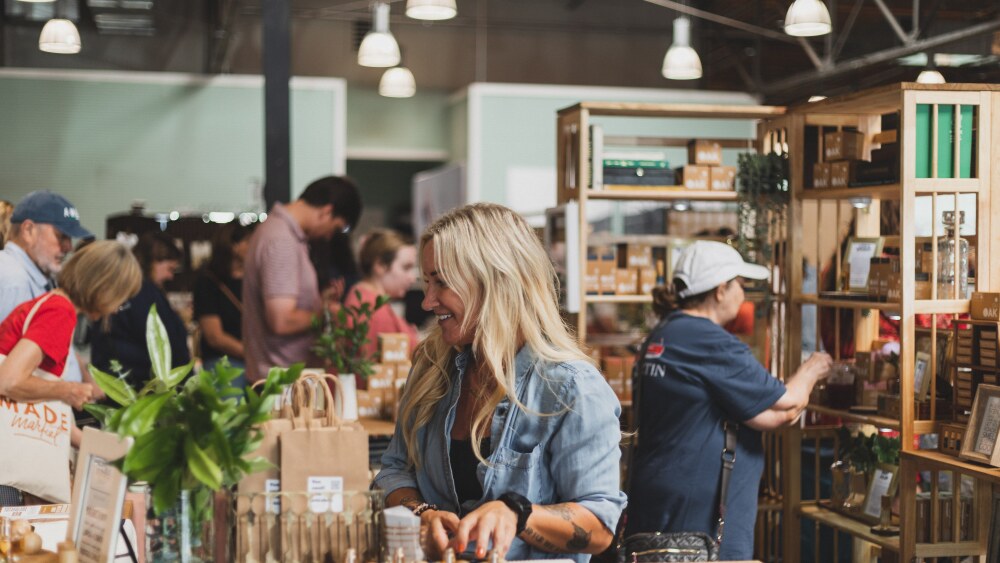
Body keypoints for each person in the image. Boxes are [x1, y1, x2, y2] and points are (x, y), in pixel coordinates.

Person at [374, 203, 625, 563]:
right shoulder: (432, 366)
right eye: (426, 282)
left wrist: (517, 514)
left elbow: (600, 528)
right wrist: (422, 513)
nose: (428, 301)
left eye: (442, 282)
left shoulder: (571, 387)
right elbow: (395, 470)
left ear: (494, 279)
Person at [623, 240, 832, 560]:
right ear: (720, 290)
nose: (743, 294)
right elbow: (786, 406)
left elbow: (765, 415)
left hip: (661, 503)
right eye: (740, 285)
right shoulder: (709, 341)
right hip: (698, 518)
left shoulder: (664, 334)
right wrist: (813, 368)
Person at [0, 241, 141, 505]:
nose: (116, 309)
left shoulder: (52, 305)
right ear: (105, 288)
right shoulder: (59, 312)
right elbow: (8, 381)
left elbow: (48, 414)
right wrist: (68, 390)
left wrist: (103, 446)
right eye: (120, 300)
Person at [242, 176, 362, 382]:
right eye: (336, 228)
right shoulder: (281, 240)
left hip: (282, 379)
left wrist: (320, 302)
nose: (328, 237)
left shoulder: (282, 234)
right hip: (280, 384)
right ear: (326, 212)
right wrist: (327, 313)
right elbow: (282, 321)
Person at [0, 191, 94, 387]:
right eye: (61, 236)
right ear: (28, 230)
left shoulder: (38, 273)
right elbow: (8, 367)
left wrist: (85, 377)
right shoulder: (13, 279)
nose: (68, 247)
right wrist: (68, 391)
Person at [90, 232, 190, 391]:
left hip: (122, 381)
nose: (170, 277)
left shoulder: (127, 289)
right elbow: (163, 340)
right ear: (154, 261)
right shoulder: (142, 293)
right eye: (170, 269)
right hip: (139, 386)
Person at [344, 229, 418, 362]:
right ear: (380, 265)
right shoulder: (374, 311)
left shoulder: (364, 299)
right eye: (406, 267)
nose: (412, 278)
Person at [192, 222, 255, 379]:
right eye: (248, 242)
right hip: (223, 361)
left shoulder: (254, 278)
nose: (254, 246)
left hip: (255, 360)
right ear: (234, 246)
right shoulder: (208, 281)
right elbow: (214, 337)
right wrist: (251, 354)